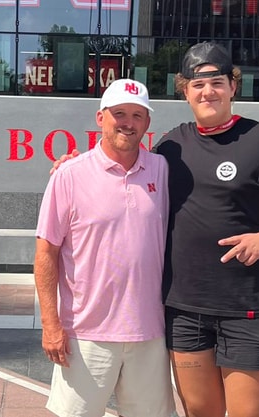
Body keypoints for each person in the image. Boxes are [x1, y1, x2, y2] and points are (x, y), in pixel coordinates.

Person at [51, 42, 259, 417]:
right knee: (201, 412)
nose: (207, 91)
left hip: (247, 308)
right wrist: (70, 165)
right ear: (185, 91)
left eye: (217, 81)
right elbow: (120, 167)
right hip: (185, 312)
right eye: (197, 84)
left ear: (233, 85)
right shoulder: (170, 148)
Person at [34, 78, 175, 417]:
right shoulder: (69, 175)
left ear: (147, 123)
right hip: (86, 334)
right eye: (119, 113)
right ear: (101, 118)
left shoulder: (162, 169)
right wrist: (51, 325)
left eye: (137, 115)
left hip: (149, 331)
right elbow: (46, 254)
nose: (128, 123)